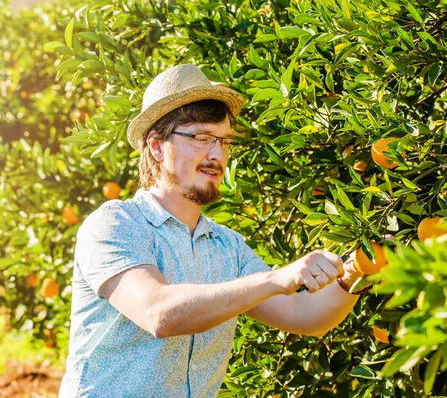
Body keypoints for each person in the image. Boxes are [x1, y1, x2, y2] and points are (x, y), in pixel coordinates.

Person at [59, 64, 367, 397]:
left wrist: (361, 268)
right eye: (201, 138)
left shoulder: (226, 246)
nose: (217, 155)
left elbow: (304, 315)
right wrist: (276, 279)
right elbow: (158, 312)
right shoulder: (115, 225)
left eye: (224, 142)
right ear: (157, 146)